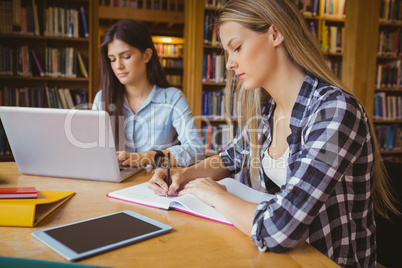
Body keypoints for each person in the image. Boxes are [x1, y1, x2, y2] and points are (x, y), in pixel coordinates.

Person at [148, 0, 399, 267]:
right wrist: (183, 175)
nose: (231, 64)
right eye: (227, 53)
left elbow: (280, 228)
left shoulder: (335, 111)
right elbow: (228, 158)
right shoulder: (268, 109)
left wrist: (215, 194)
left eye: (237, 48)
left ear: (275, 33)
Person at [92, 19, 204, 167]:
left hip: (155, 184)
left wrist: (149, 157)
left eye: (126, 57)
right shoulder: (102, 98)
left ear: (147, 55)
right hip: (113, 184)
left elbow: (196, 149)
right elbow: (92, 151)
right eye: (112, 59)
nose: (118, 66)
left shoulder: (172, 98)